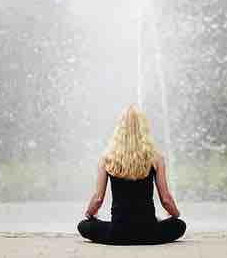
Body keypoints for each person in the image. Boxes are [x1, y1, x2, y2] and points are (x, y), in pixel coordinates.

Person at [77, 105, 186, 245]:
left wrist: (89, 214)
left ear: (119, 128)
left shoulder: (107, 158)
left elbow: (98, 199)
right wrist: (175, 215)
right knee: (179, 225)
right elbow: (166, 199)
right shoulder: (156, 158)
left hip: (117, 233)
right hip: (149, 233)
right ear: (144, 127)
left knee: (84, 225)